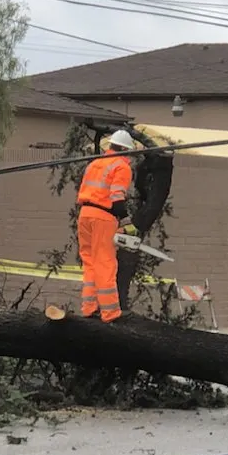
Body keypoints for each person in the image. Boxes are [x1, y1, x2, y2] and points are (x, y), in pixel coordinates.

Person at [76, 128, 137, 323]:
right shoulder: (121, 166)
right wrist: (127, 222)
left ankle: (89, 308)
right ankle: (110, 313)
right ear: (127, 150)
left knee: (89, 262)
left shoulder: (95, 163)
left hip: (85, 215)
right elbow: (117, 198)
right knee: (105, 263)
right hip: (103, 216)